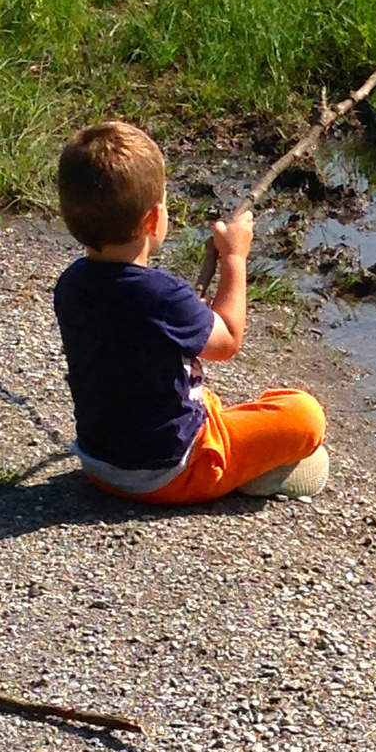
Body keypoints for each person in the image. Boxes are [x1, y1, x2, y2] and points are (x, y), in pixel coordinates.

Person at [53, 120, 327, 505]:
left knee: (205, 400)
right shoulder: (164, 296)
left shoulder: (71, 283)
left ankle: (243, 450)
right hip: (169, 473)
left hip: (100, 465)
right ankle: (246, 469)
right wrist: (235, 257)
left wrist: (186, 318)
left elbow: (127, 339)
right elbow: (227, 340)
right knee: (304, 414)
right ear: (152, 219)